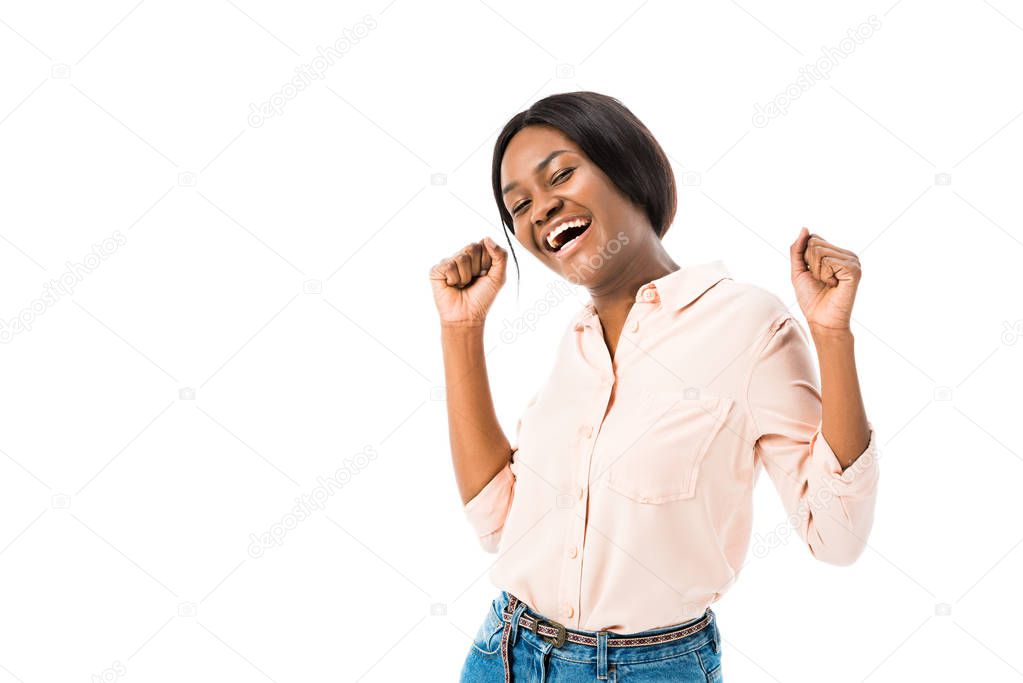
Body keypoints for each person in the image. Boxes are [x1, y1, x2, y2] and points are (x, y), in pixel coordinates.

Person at [429, 91, 879, 682]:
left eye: (561, 173)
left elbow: (836, 536)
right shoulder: (578, 343)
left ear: (628, 167)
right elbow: (497, 525)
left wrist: (832, 336)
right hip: (503, 654)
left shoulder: (747, 324)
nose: (540, 209)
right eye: (519, 206)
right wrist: (460, 330)